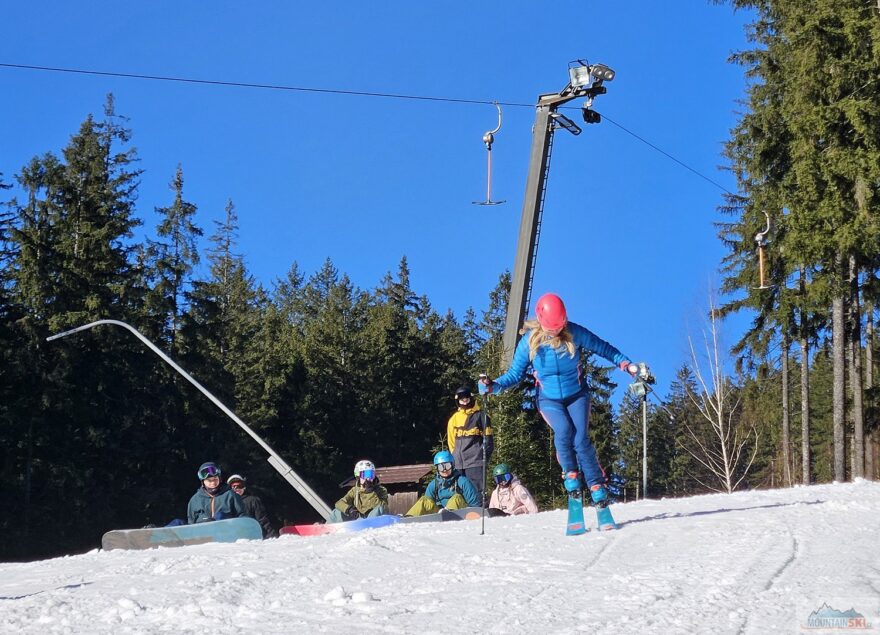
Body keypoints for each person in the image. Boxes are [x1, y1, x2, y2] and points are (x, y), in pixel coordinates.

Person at [479, 292, 638, 518]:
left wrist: (626, 364)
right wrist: (493, 386)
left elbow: (604, 348)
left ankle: (597, 488)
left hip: (577, 395)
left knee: (581, 438)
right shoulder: (529, 342)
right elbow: (514, 375)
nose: (555, 332)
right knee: (564, 431)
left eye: (559, 327)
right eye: (551, 328)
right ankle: (571, 479)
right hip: (549, 399)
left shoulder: (575, 333)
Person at [446, 385, 493, 495]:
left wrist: (483, 456)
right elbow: (451, 441)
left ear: (471, 398)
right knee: (460, 492)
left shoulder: (481, 416)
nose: (465, 401)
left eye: (466, 397)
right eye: (462, 398)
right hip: (459, 464)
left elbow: (489, 440)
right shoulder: (454, 419)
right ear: (458, 400)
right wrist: (454, 457)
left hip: (475, 462)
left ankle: (480, 509)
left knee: (476, 492)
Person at [405, 450, 481, 516]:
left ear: (452, 465)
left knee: (456, 498)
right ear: (437, 469)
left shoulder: (462, 481)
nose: (444, 470)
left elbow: (475, 505)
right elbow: (429, 504)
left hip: (461, 514)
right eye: (441, 467)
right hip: (440, 514)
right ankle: (408, 518)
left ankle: (449, 513)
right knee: (425, 500)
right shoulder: (434, 484)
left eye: (447, 466)